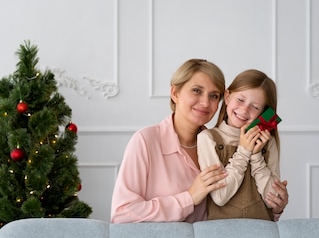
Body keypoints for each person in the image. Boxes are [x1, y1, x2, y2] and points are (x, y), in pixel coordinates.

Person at [110, 59, 230, 223]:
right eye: (196, 91)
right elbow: (122, 213)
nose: (205, 102)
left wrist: (273, 208)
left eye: (214, 96)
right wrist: (189, 198)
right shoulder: (145, 141)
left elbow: (236, 209)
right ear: (175, 93)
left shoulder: (221, 145)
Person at [197, 69, 286, 221]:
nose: (244, 109)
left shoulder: (267, 142)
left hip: (263, 233)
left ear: (263, 113)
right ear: (227, 97)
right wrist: (244, 151)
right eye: (240, 100)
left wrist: (257, 155)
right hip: (221, 233)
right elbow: (219, 196)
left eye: (255, 107)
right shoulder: (208, 138)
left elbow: (274, 200)